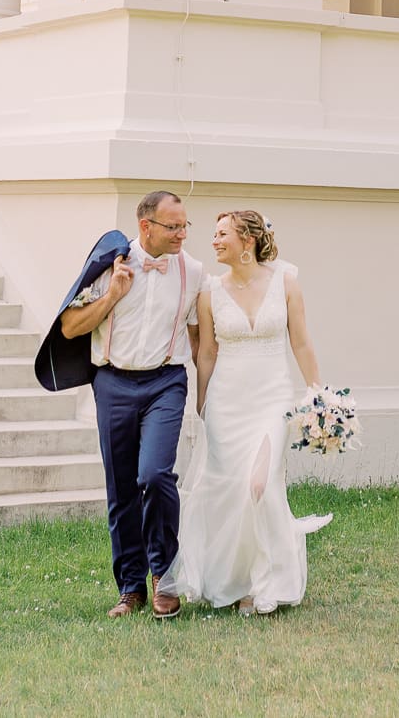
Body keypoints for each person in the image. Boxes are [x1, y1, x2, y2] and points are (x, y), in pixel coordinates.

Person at [162, 209, 332, 616]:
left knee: (261, 482)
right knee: (229, 491)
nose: (215, 241)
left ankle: (269, 579)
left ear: (248, 240)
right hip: (226, 401)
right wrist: (203, 404)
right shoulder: (209, 291)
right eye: (214, 234)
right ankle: (239, 583)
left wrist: (318, 396)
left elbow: (302, 343)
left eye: (222, 234)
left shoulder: (285, 283)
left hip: (273, 398)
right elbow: (206, 352)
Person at [54, 189, 203, 620]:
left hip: (165, 382)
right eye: (173, 227)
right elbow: (69, 328)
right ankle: (130, 587)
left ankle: (165, 576)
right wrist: (113, 295)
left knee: (155, 475)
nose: (181, 234)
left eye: (184, 226)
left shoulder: (193, 272)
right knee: (121, 488)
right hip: (113, 381)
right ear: (146, 226)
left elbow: (198, 339)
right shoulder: (110, 263)